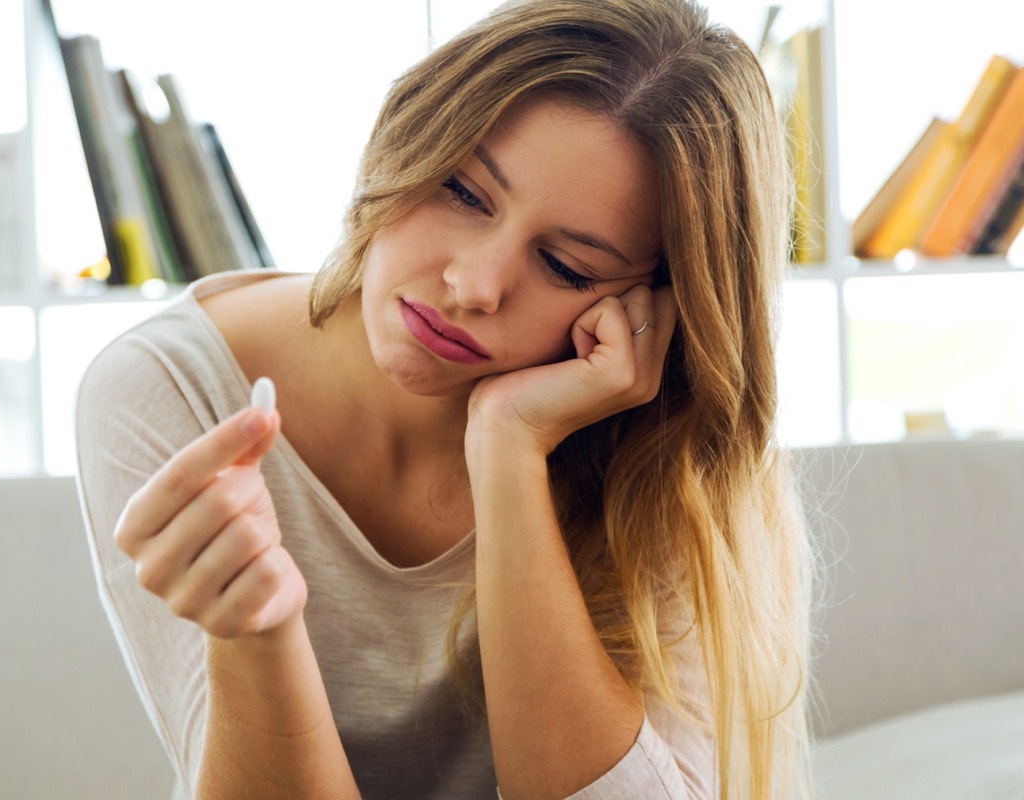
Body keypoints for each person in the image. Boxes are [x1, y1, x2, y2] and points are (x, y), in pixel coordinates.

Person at [74, 0, 815, 798]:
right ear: (406, 135)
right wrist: (258, 635)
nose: (473, 285)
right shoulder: (171, 391)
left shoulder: (666, 456)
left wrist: (507, 451)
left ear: (654, 311)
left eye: (566, 267)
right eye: (463, 192)